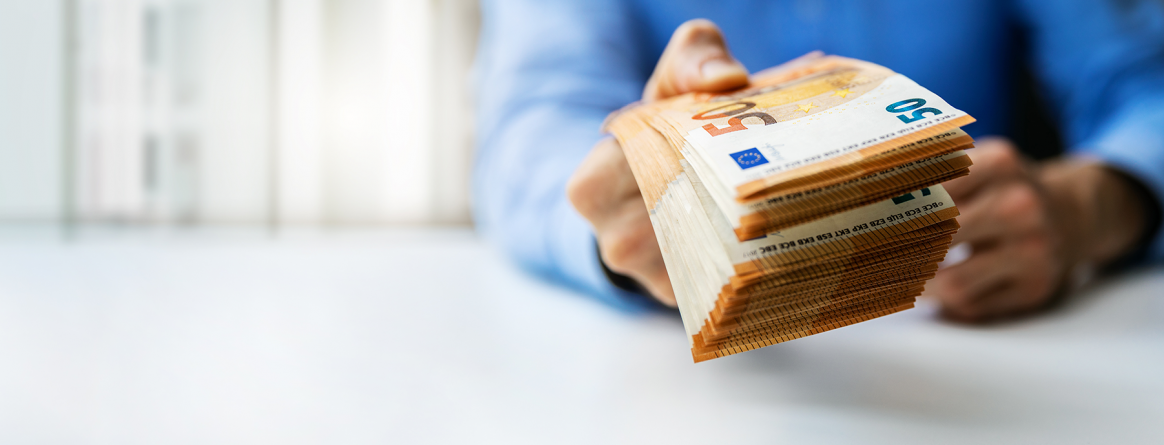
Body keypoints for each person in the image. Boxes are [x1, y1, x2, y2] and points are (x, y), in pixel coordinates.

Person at [471, 0, 1164, 321]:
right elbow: (532, 125)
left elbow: (1143, 86)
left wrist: (1094, 203)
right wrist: (624, 220)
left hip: (981, 328)